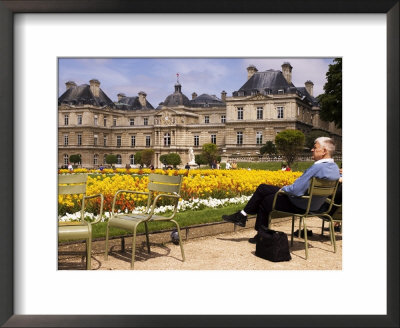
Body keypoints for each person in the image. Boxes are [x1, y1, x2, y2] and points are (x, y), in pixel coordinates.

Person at [222, 137, 340, 244]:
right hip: (316, 205)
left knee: (266, 199)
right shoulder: (335, 168)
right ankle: (242, 216)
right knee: (263, 189)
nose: (311, 150)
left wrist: (283, 188)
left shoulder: (317, 167)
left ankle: (257, 231)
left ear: (324, 151)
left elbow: (296, 190)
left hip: (301, 204)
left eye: (315, 147)